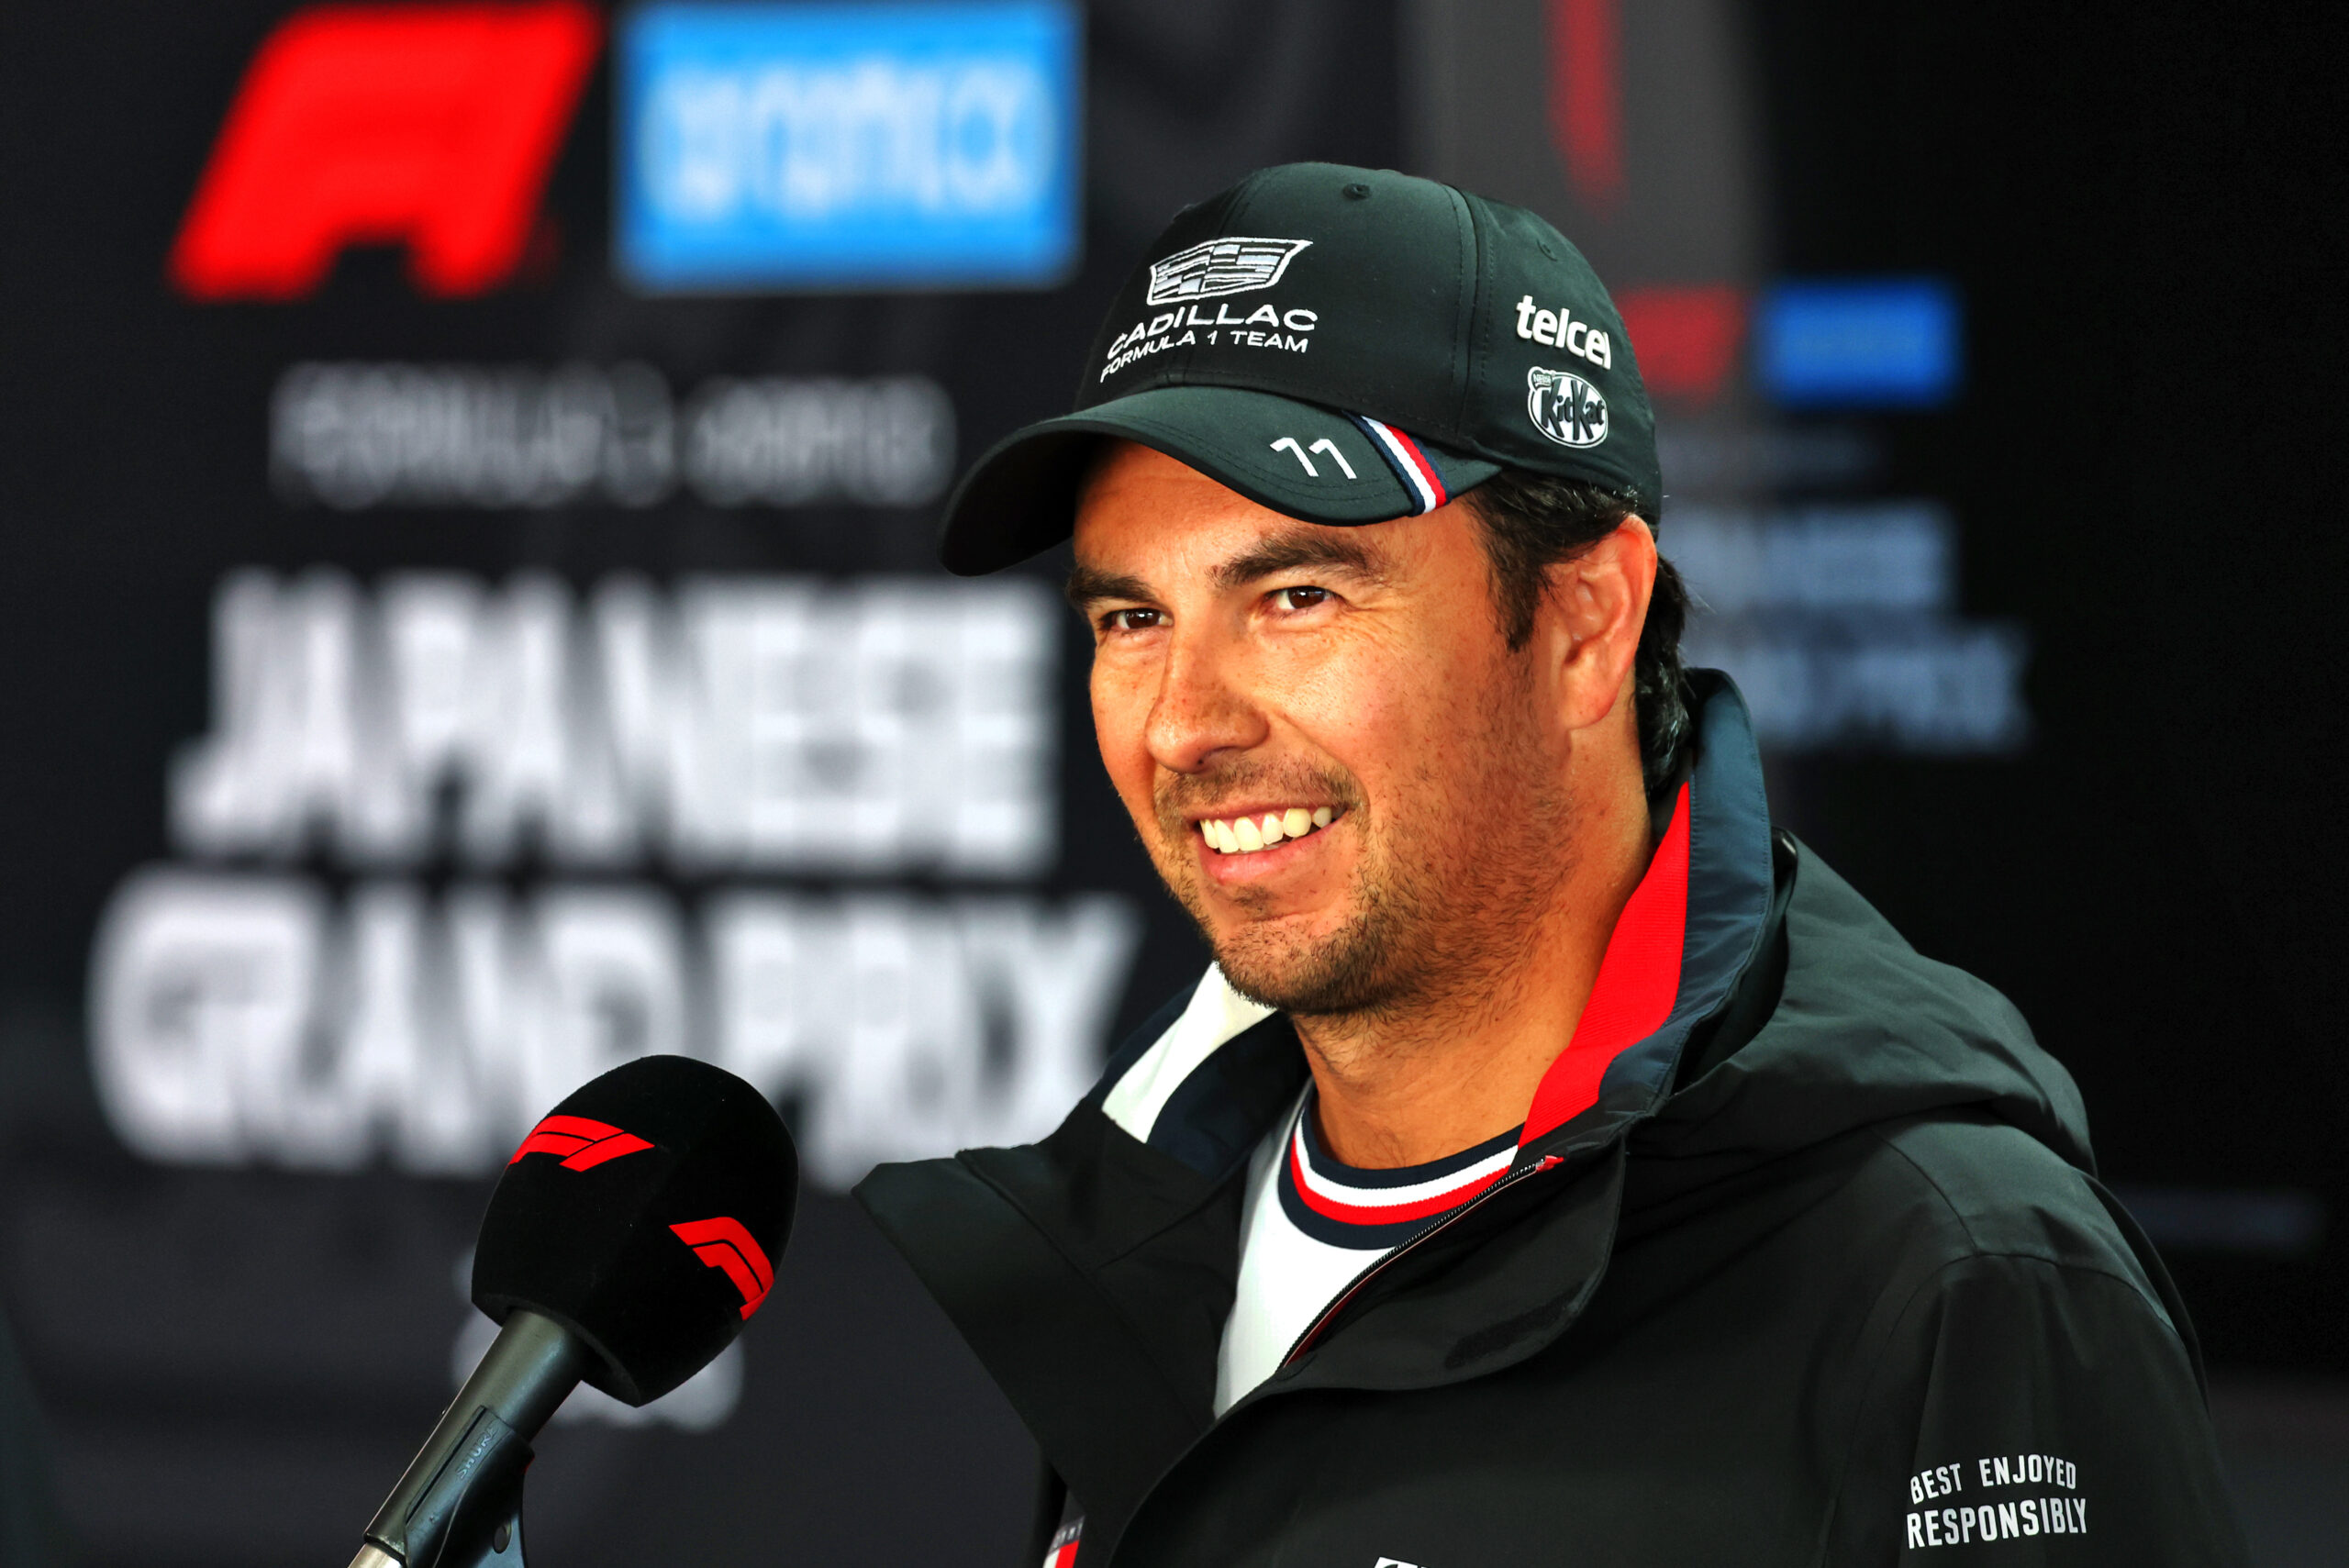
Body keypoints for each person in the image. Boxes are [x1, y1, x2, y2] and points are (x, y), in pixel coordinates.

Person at [856, 163, 2249, 1567]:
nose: (1185, 723)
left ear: (1586, 623)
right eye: (1132, 616)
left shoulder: (1950, 1282)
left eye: (1296, 597)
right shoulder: (1139, 1231)